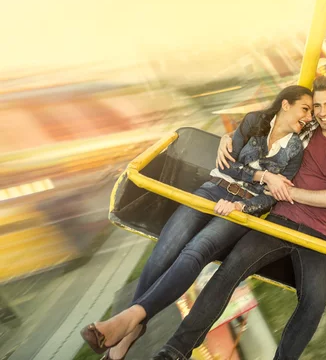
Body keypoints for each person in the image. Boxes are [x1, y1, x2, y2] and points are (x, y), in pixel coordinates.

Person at [80, 85, 314, 359]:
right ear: (286, 104)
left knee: (196, 250)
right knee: (167, 247)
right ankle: (131, 328)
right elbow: (227, 166)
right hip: (212, 189)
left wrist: (242, 205)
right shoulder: (254, 121)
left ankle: (129, 321)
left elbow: (272, 198)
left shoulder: (295, 151)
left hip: (239, 210)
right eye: (305, 109)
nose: (308, 117)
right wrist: (264, 176)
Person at [151, 75, 326, 360]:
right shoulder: (304, 129)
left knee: (313, 304)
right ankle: (174, 351)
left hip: (318, 236)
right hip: (279, 222)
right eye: (317, 106)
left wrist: (286, 191)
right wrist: (227, 140)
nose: (322, 112)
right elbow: (263, 132)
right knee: (228, 272)